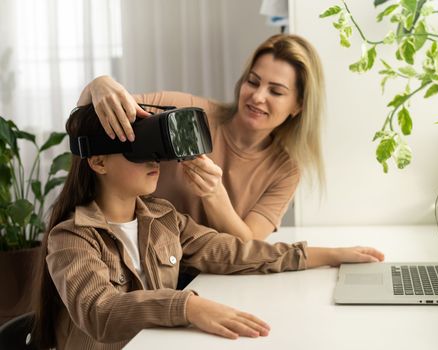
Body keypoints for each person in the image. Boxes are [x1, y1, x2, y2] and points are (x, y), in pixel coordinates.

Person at [32, 105, 384, 350]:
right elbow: (99, 311)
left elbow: (233, 252)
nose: (155, 160)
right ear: (97, 161)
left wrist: (325, 255)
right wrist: (187, 307)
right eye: (140, 150)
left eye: (156, 150)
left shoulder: (163, 218)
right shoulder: (72, 237)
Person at [77, 33, 325, 242]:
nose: (258, 96)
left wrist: (214, 194)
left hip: (212, 275)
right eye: (253, 81)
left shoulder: (285, 170)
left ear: (298, 106)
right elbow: (91, 117)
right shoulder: (184, 114)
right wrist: (99, 84)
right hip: (146, 266)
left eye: (276, 91)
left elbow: (249, 246)